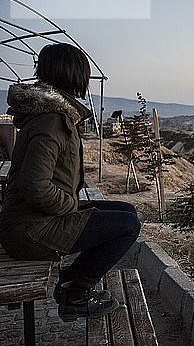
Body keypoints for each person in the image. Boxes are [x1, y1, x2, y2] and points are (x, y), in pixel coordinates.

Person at [0, 43, 141, 322]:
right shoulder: (52, 120)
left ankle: (72, 279)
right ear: (74, 76)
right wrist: (70, 205)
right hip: (29, 229)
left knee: (127, 211)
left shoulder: (49, 115)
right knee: (128, 226)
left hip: (32, 220)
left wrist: (71, 192)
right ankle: (76, 294)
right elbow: (35, 186)